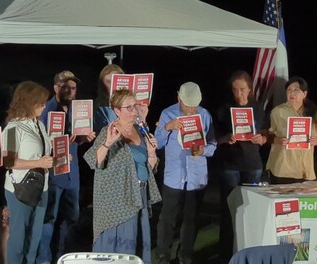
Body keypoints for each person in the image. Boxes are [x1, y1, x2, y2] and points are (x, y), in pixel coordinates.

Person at [84, 90, 161, 264]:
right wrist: (108, 143)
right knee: (117, 249)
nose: (134, 111)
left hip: (138, 195)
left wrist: (151, 154)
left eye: (135, 106)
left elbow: (149, 167)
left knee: (136, 247)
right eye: (129, 107)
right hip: (116, 201)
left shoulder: (141, 130)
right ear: (117, 110)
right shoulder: (108, 131)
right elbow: (93, 161)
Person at [37, 71, 96, 264]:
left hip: (72, 174)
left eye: (74, 88)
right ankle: (44, 260)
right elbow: (40, 143)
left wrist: (82, 138)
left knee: (70, 218)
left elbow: (75, 141)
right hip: (53, 174)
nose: (71, 91)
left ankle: (61, 257)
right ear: (56, 88)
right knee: (49, 219)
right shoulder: (46, 110)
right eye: (66, 87)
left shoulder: (77, 109)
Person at [154, 82, 217, 264]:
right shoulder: (168, 113)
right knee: (167, 218)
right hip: (174, 176)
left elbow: (212, 143)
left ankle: (186, 253)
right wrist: (167, 128)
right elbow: (156, 144)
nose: (190, 109)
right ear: (178, 98)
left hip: (196, 176)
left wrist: (203, 150)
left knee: (191, 218)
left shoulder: (204, 115)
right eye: (187, 104)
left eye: (194, 105)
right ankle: (163, 254)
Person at [214, 71, 267, 263]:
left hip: (252, 164)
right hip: (229, 165)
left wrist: (262, 138)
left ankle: (249, 252)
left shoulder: (258, 108)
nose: (239, 94)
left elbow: (265, 133)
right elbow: (215, 137)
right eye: (235, 90)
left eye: (242, 89)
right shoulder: (224, 108)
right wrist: (226, 138)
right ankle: (226, 254)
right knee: (229, 210)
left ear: (250, 89)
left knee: (251, 209)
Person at [2, 81, 53, 264]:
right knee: (18, 240)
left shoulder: (39, 125)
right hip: (20, 190)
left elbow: (44, 152)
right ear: (28, 102)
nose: (44, 106)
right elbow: (8, 162)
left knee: (34, 241)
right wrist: (38, 162)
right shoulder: (13, 127)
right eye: (40, 102)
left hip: (42, 188)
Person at [266, 76, 317, 183]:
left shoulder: (314, 112)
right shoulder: (277, 111)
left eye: (296, 90)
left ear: (305, 94)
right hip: (282, 168)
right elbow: (267, 135)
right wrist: (278, 140)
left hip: (304, 169)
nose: (292, 93)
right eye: (289, 90)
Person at [93, 64, 125, 134]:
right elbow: (101, 133)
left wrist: (142, 116)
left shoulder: (131, 103)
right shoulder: (100, 106)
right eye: (109, 82)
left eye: (116, 81)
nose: (112, 85)